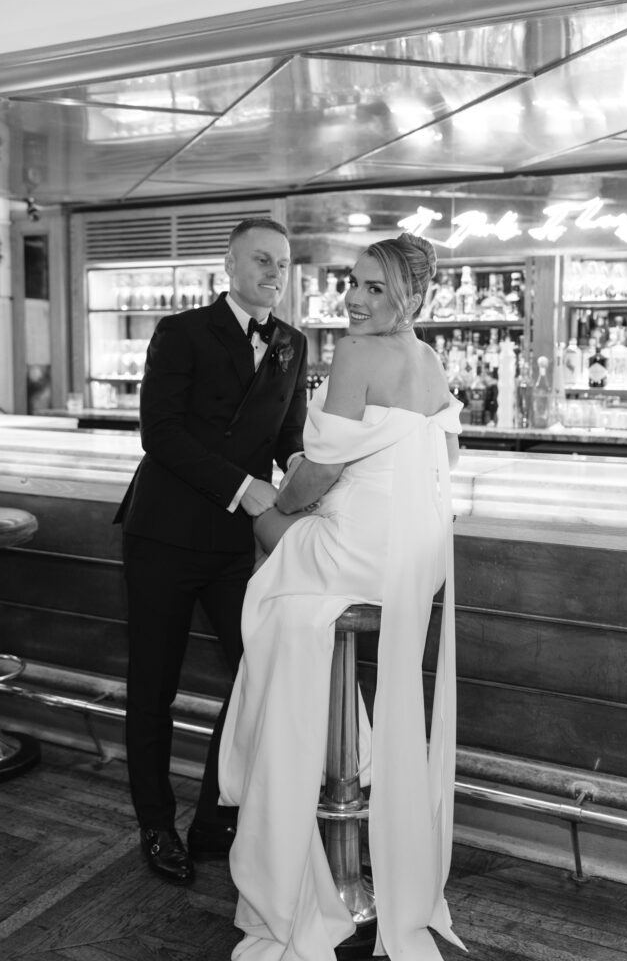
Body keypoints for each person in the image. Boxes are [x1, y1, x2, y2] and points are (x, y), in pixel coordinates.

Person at [218, 232, 466, 960]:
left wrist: (284, 490)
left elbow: (313, 478)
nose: (354, 299)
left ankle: (273, 756)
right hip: (410, 561)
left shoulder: (357, 355)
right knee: (286, 538)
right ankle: (345, 752)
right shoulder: (426, 358)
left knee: (264, 530)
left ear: (409, 298)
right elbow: (443, 455)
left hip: (355, 555)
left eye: (375, 289)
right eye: (352, 283)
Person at [114, 217, 308, 885]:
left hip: (231, 546)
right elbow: (159, 435)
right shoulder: (182, 332)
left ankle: (212, 817)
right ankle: (155, 824)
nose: (273, 275)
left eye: (282, 265)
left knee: (257, 670)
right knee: (153, 687)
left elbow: (286, 434)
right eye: (261, 261)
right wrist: (244, 488)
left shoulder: (292, 343)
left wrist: (306, 466)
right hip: (162, 534)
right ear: (228, 264)